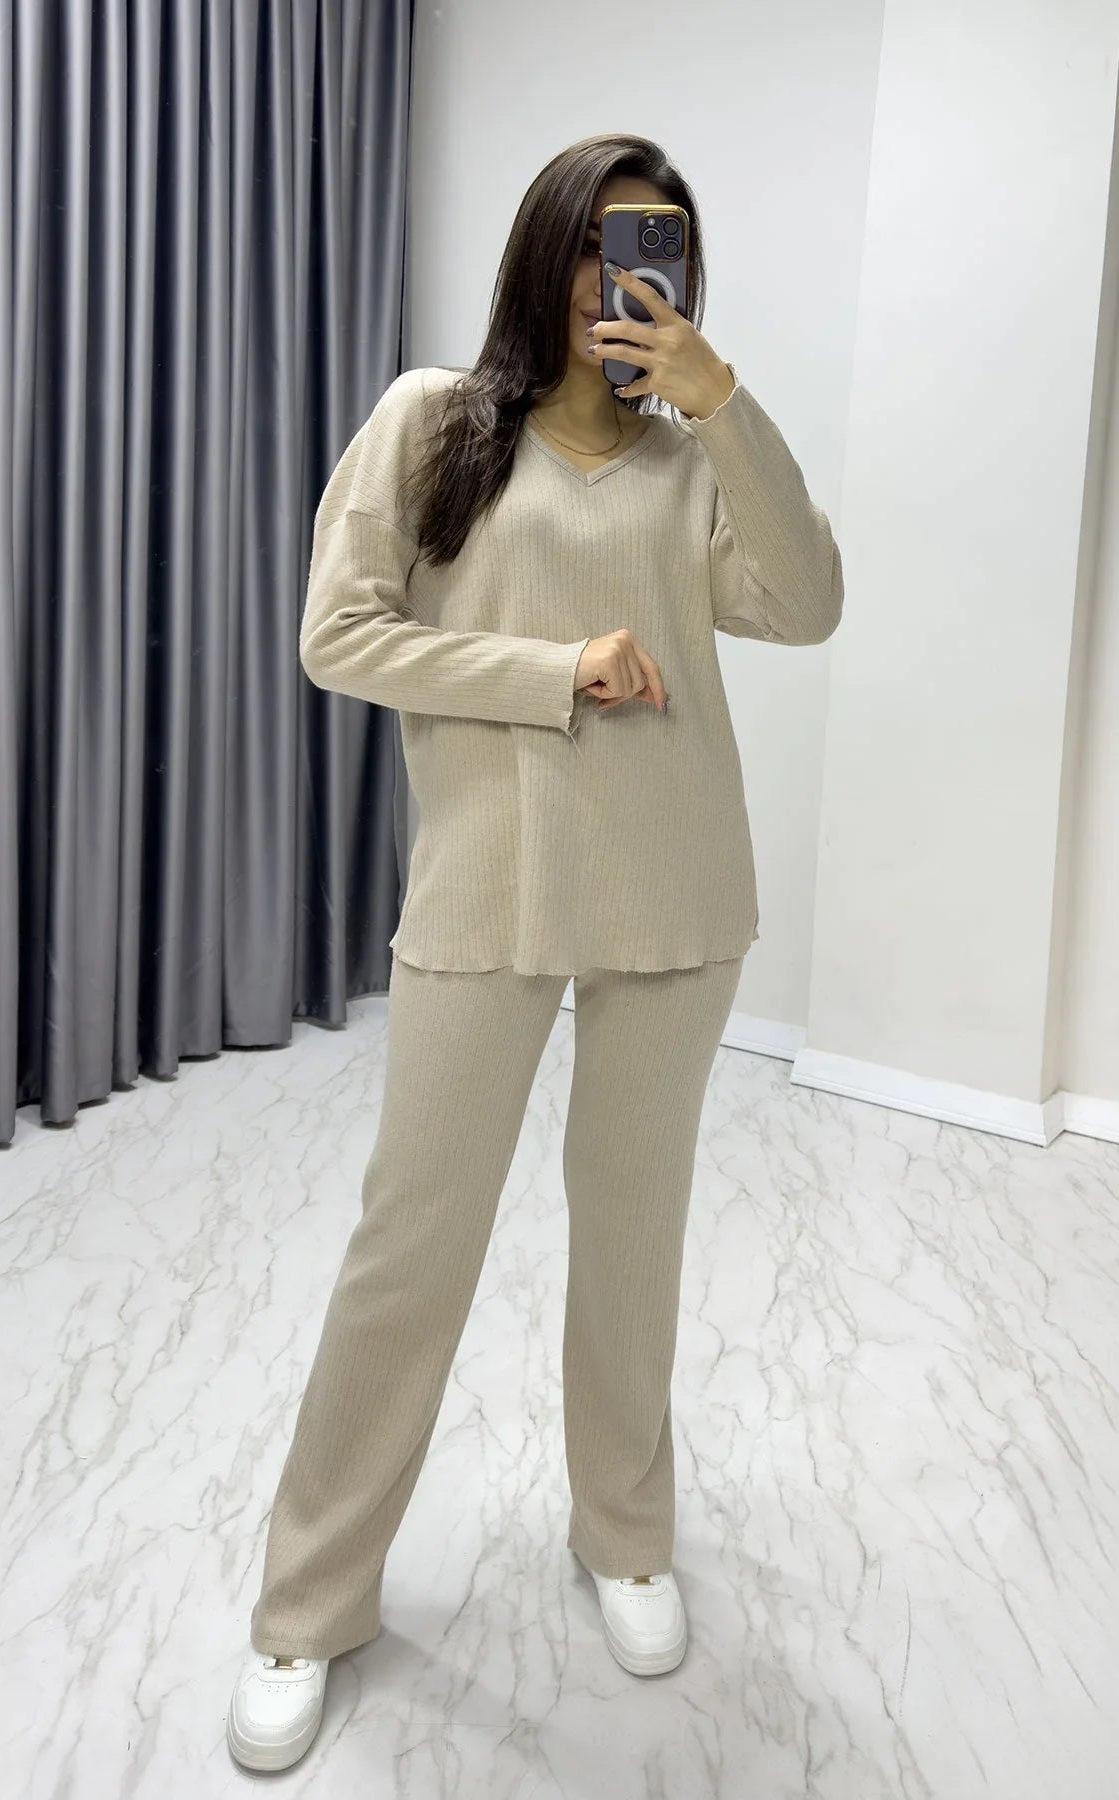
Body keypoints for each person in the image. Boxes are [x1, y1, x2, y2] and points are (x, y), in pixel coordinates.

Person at [227, 131, 843, 1773]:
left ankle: (623, 1532)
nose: (615, 278)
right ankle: (307, 1601)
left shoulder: (694, 463)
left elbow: (807, 602)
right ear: (542, 250)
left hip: (677, 897)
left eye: (652, 249)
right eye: (593, 241)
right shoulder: (434, 421)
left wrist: (724, 401)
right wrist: (555, 670)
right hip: (488, 890)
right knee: (409, 1252)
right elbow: (340, 634)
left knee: (633, 1242)